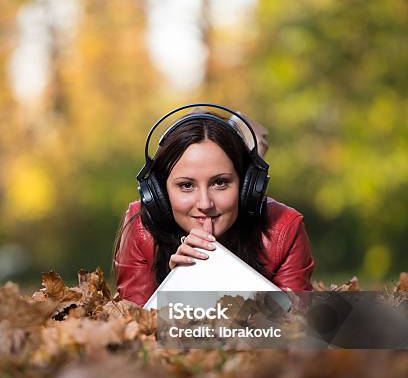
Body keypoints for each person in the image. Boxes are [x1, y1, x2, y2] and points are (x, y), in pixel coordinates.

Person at [113, 106, 315, 306]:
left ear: (247, 186)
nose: (205, 204)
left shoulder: (284, 228)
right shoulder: (141, 227)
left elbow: (297, 329)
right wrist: (175, 286)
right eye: (186, 185)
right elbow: (133, 329)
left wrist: (221, 274)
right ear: (159, 193)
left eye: (220, 183)